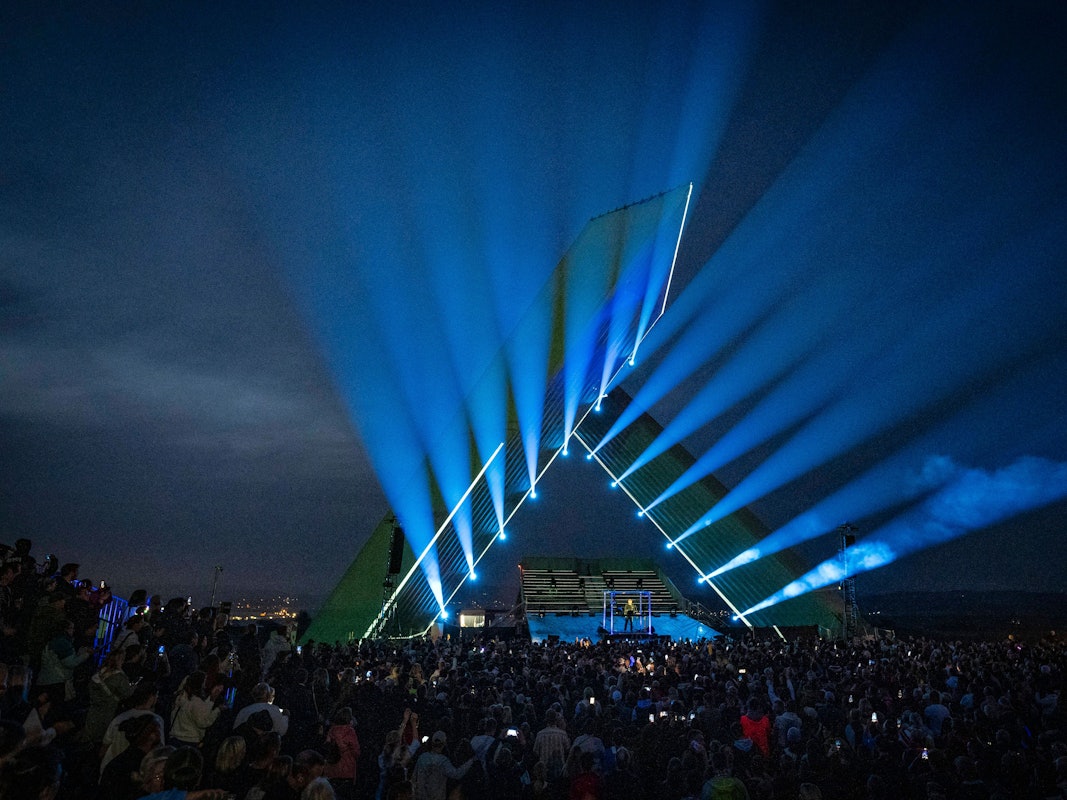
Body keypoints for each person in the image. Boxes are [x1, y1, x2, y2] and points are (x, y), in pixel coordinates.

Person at [411, 731, 474, 800]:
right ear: (444, 744)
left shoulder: (422, 757)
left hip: (420, 797)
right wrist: (470, 761)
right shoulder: (443, 761)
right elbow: (456, 774)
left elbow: (414, 778)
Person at [170, 670, 224, 748]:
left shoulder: (180, 696)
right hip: (189, 740)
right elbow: (203, 721)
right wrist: (217, 710)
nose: (205, 684)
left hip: (175, 738)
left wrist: (211, 698)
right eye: (204, 681)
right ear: (200, 683)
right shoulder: (196, 701)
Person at [322, 706, 360, 795]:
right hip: (346, 770)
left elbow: (327, 746)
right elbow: (356, 751)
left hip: (332, 768)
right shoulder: (350, 731)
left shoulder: (332, 730)